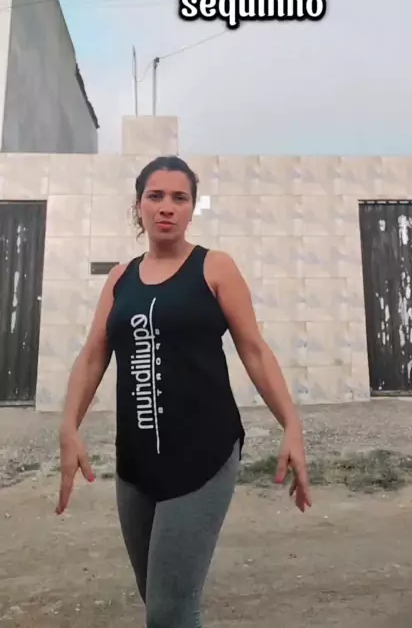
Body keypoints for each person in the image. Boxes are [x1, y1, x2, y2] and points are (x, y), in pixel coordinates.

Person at [56, 154, 311, 628]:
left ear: (193, 207)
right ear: (138, 205)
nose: (167, 207)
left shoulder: (215, 268)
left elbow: (254, 350)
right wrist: (68, 425)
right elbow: (93, 354)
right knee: (157, 599)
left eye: (180, 197)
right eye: (155, 196)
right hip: (136, 462)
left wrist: (291, 424)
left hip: (203, 457)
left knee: (170, 612)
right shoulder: (120, 278)